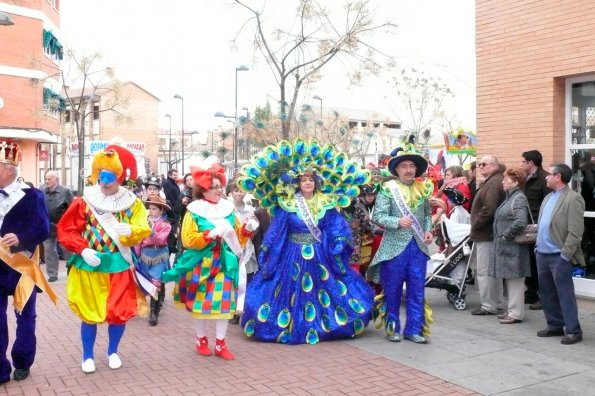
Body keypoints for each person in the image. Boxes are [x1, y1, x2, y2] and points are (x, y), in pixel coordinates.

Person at [236, 139, 375, 345]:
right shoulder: (289, 204)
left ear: (316, 182)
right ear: (298, 183)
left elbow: (335, 226)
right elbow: (277, 230)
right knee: (288, 290)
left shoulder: (326, 203)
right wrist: (268, 247)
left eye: (311, 179)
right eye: (303, 179)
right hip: (291, 254)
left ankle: (322, 325)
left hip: (320, 254)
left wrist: (338, 241)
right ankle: (290, 324)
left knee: (324, 288)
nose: (307, 183)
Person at [57, 146, 151, 374]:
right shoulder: (83, 201)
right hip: (90, 264)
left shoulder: (133, 203)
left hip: (118, 265)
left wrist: (130, 230)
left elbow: (143, 227)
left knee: (118, 312)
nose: (105, 182)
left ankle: (112, 352)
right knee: (90, 311)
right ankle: (87, 355)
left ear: (119, 178)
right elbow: (66, 230)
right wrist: (81, 250)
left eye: (109, 178)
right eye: (101, 177)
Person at [162, 164, 258, 360]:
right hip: (202, 263)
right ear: (203, 189)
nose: (219, 190)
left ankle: (221, 344)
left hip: (223, 262)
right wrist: (208, 235)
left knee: (224, 305)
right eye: (214, 186)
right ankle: (201, 340)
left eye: (219, 186)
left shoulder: (228, 209)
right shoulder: (194, 211)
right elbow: (188, 239)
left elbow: (238, 237)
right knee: (203, 305)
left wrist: (247, 229)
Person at [367, 140, 434, 344]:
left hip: (418, 248)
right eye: (404, 166)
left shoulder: (422, 189)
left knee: (417, 290)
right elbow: (378, 216)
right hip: (394, 249)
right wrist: (397, 221)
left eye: (411, 166)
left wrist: (429, 230)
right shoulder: (388, 189)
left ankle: (413, 330)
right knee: (393, 290)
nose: (408, 170)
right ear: (397, 169)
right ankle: (392, 328)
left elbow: (426, 215)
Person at [0, 139, 55, 384]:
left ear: (9, 170)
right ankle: (1, 368)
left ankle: (22, 362)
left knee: (25, 317)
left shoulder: (32, 196)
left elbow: (43, 229)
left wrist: (21, 238)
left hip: (22, 267)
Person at [535, 163, 585, 345]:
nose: (546, 177)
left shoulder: (573, 199)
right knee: (546, 293)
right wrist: (537, 247)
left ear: (558, 176)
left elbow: (576, 231)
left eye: (550, 174)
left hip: (558, 255)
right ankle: (554, 325)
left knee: (565, 294)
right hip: (542, 253)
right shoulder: (548, 197)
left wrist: (565, 254)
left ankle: (573, 330)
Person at [491, 167, 531, 324]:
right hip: (508, 247)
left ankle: (515, 313)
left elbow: (521, 221)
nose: (503, 181)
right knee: (511, 279)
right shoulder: (510, 197)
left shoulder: (518, 198)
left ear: (515, 182)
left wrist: (505, 234)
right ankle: (512, 310)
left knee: (515, 281)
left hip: (514, 247)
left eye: (506, 179)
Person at [470, 156, 506, 316]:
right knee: (492, 271)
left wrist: (476, 224)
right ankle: (496, 303)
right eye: (479, 165)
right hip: (489, 233)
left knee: (484, 271)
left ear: (494, 166)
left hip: (486, 233)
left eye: (484, 164)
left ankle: (488, 305)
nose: (481, 167)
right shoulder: (494, 180)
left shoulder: (493, 183)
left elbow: (488, 209)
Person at [520, 150, 552, 309]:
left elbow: (548, 204)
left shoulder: (544, 179)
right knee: (529, 262)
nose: (522, 164)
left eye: (523, 162)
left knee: (538, 263)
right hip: (526, 228)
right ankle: (530, 293)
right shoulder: (525, 179)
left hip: (538, 227)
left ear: (531, 163)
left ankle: (542, 296)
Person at [135, 195, 172, 326]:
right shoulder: (144, 222)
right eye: (149, 208)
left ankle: (153, 312)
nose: (150, 211)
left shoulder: (166, 225)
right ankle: (150, 303)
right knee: (146, 281)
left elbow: (160, 240)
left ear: (161, 211)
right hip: (145, 255)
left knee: (156, 283)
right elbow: (139, 240)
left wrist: (150, 230)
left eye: (154, 209)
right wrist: (137, 255)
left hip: (159, 255)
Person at [227, 180, 258, 324]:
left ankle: (245, 309)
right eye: (236, 191)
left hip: (247, 248)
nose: (239, 193)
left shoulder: (251, 210)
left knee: (247, 277)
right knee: (234, 278)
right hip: (231, 247)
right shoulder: (226, 209)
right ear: (231, 192)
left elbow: (255, 230)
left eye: (241, 191)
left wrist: (252, 226)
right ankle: (234, 309)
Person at [42, 170, 74, 282]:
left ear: (56, 179)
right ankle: (52, 274)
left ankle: (71, 266)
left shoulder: (65, 191)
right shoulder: (41, 190)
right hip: (46, 225)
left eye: (49, 179)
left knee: (67, 249)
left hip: (62, 225)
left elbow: (72, 208)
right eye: (46, 179)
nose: (47, 181)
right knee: (49, 250)